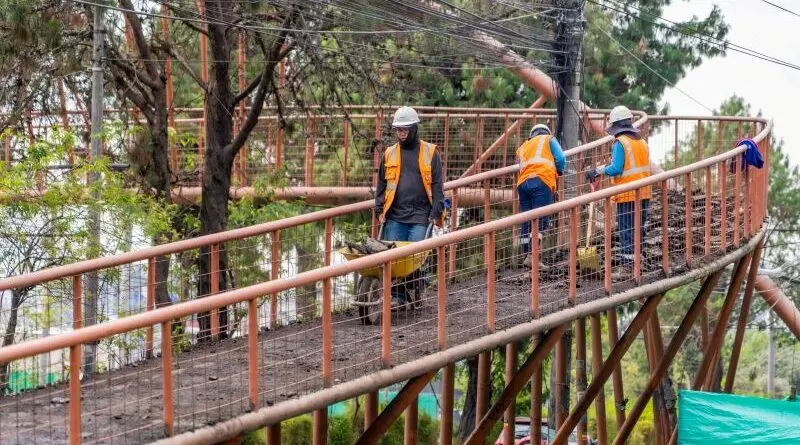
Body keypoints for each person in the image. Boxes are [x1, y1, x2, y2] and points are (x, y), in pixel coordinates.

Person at [375, 106, 445, 305]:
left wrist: (436, 210)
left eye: (405, 129)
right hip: (395, 215)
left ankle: (417, 287)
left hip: (421, 215)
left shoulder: (430, 152)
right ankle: (397, 296)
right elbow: (381, 184)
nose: (401, 133)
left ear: (414, 128)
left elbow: (437, 184)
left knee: (415, 257)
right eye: (398, 130)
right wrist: (379, 207)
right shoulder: (389, 154)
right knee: (395, 258)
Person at [585, 105, 651, 279]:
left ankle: (627, 268)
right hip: (644, 193)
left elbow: (616, 168)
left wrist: (597, 171)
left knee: (626, 230)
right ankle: (638, 264)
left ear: (616, 127)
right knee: (639, 228)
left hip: (627, 194)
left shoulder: (620, 142)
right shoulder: (642, 142)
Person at [516, 123, 566, 268]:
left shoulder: (524, 146)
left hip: (523, 184)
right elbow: (561, 159)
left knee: (527, 220)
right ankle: (533, 257)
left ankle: (526, 256)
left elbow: (519, 166)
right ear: (546, 132)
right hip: (542, 181)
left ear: (531, 135)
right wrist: (559, 171)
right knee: (540, 220)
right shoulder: (548, 139)